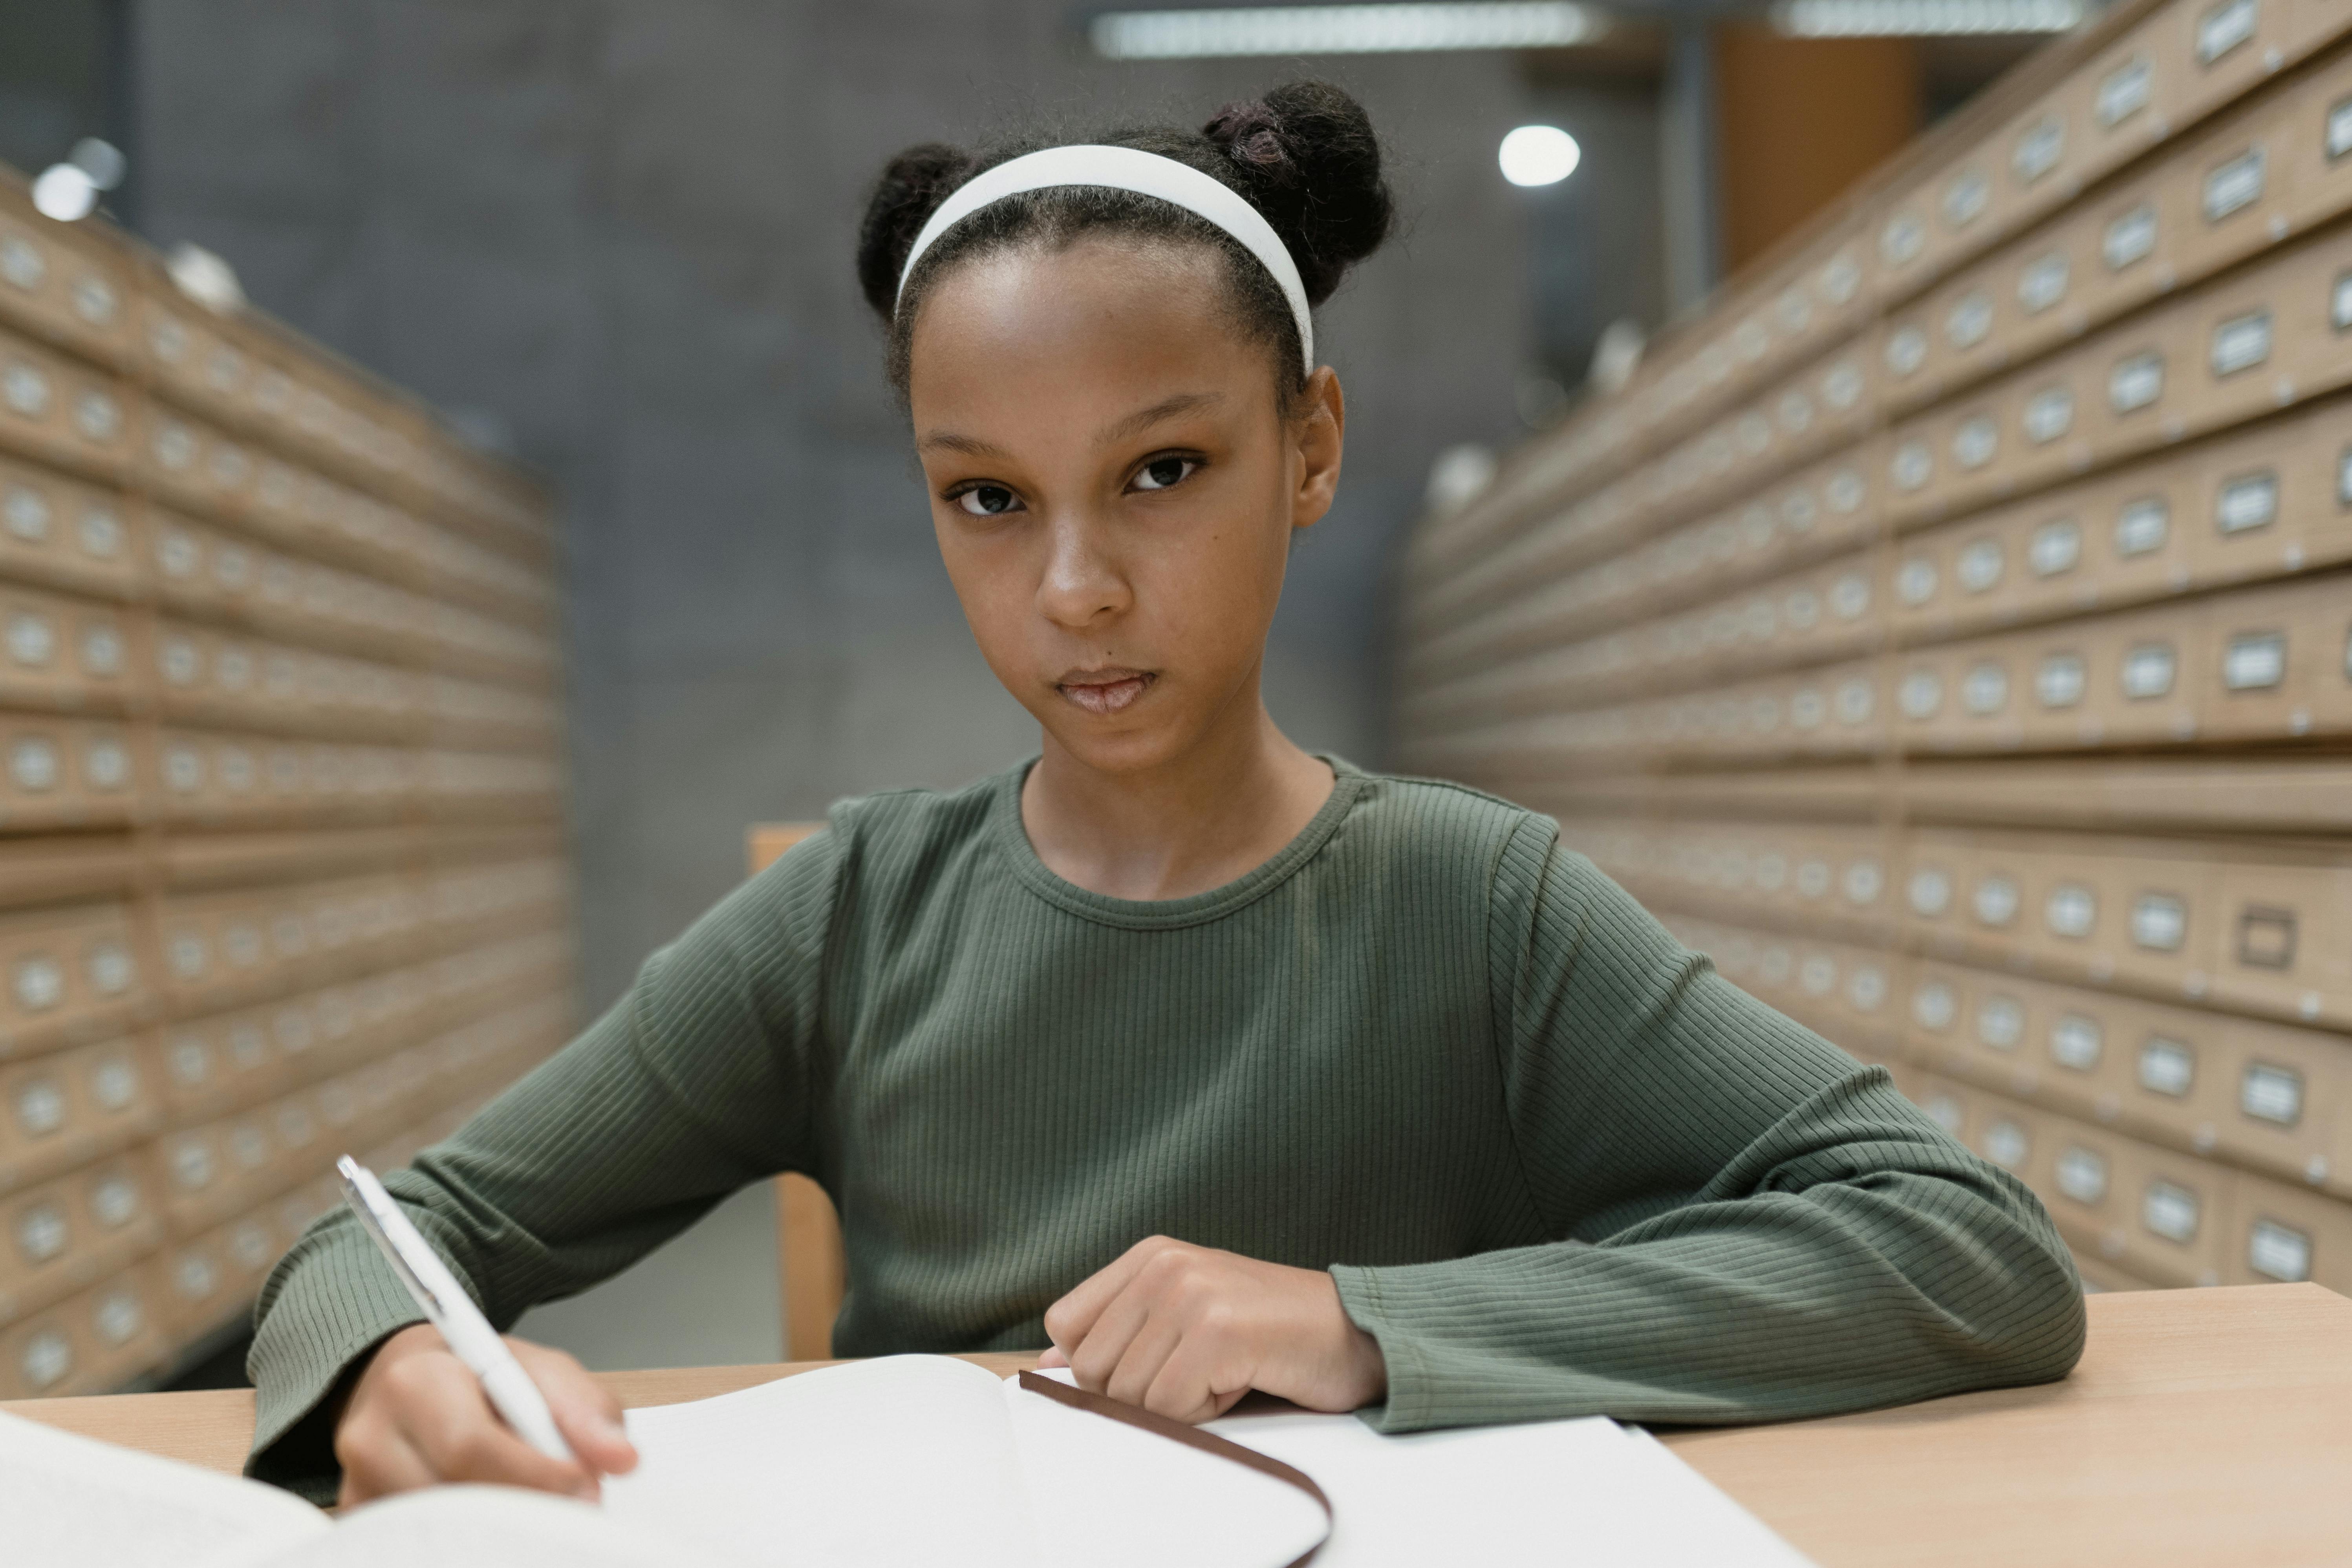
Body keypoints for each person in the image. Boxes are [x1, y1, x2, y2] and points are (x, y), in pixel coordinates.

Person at [246, 81, 2086, 1508]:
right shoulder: (854, 914)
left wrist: (1369, 1323)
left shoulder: (1474, 902)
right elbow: (388, 1232)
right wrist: (390, 1365)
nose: (1074, 589)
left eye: (1163, 470)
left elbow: (1963, 1247)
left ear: (1309, 447)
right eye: (986, 497)